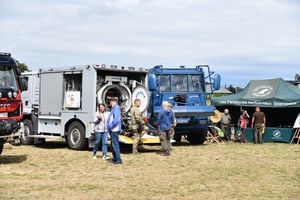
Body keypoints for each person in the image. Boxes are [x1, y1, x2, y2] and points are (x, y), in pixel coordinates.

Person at [107, 97, 123, 164]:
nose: (109, 102)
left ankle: (118, 160)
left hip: (114, 130)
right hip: (113, 130)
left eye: (110, 101)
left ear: (112, 101)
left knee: (115, 145)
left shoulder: (116, 108)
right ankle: (115, 158)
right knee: (113, 145)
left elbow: (116, 119)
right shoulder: (114, 108)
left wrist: (111, 126)